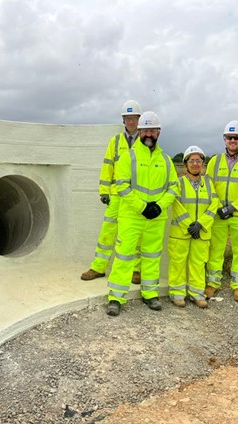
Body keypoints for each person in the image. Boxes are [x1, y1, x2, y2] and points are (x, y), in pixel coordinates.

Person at [106, 111, 177, 316]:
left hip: (156, 218)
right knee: (124, 256)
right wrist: (142, 207)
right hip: (132, 216)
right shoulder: (129, 157)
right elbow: (122, 186)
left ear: (159, 133)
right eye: (145, 130)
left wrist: (159, 206)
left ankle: (150, 294)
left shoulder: (165, 160)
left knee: (152, 257)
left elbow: (173, 187)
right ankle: (116, 297)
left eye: (152, 130)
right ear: (139, 132)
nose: (148, 134)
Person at [81, 100, 142, 283]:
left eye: (134, 118)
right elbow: (107, 166)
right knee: (108, 230)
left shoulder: (146, 141)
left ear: (139, 119)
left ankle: (135, 270)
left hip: (136, 196)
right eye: (127, 118)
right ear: (123, 120)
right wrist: (104, 191)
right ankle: (98, 267)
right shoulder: (115, 142)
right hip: (116, 194)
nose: (131, 122)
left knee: (135, 232)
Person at [205, 121, 238, 302]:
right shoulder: (214, 161)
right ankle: (213, 283)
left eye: (236, 137)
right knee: (215, 249)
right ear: (224, 139)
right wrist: (219, 206)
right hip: (219, 215)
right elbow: (209, 186)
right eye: (229, 137)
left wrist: (232, 207)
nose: (232, 140)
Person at [168, 146, 219, 308]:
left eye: (199, 160)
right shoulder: (179, 183)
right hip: (181, 233)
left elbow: (213, 205)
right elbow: (176, 204)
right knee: (178, 262)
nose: (196, 164)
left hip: (201, 233)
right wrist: (190, 225)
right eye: (192, 160)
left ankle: (197, 294)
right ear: (185, 164)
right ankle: (177, 293)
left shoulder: (209, 184)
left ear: (203, 163)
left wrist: (200, 225)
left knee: (198, 263)